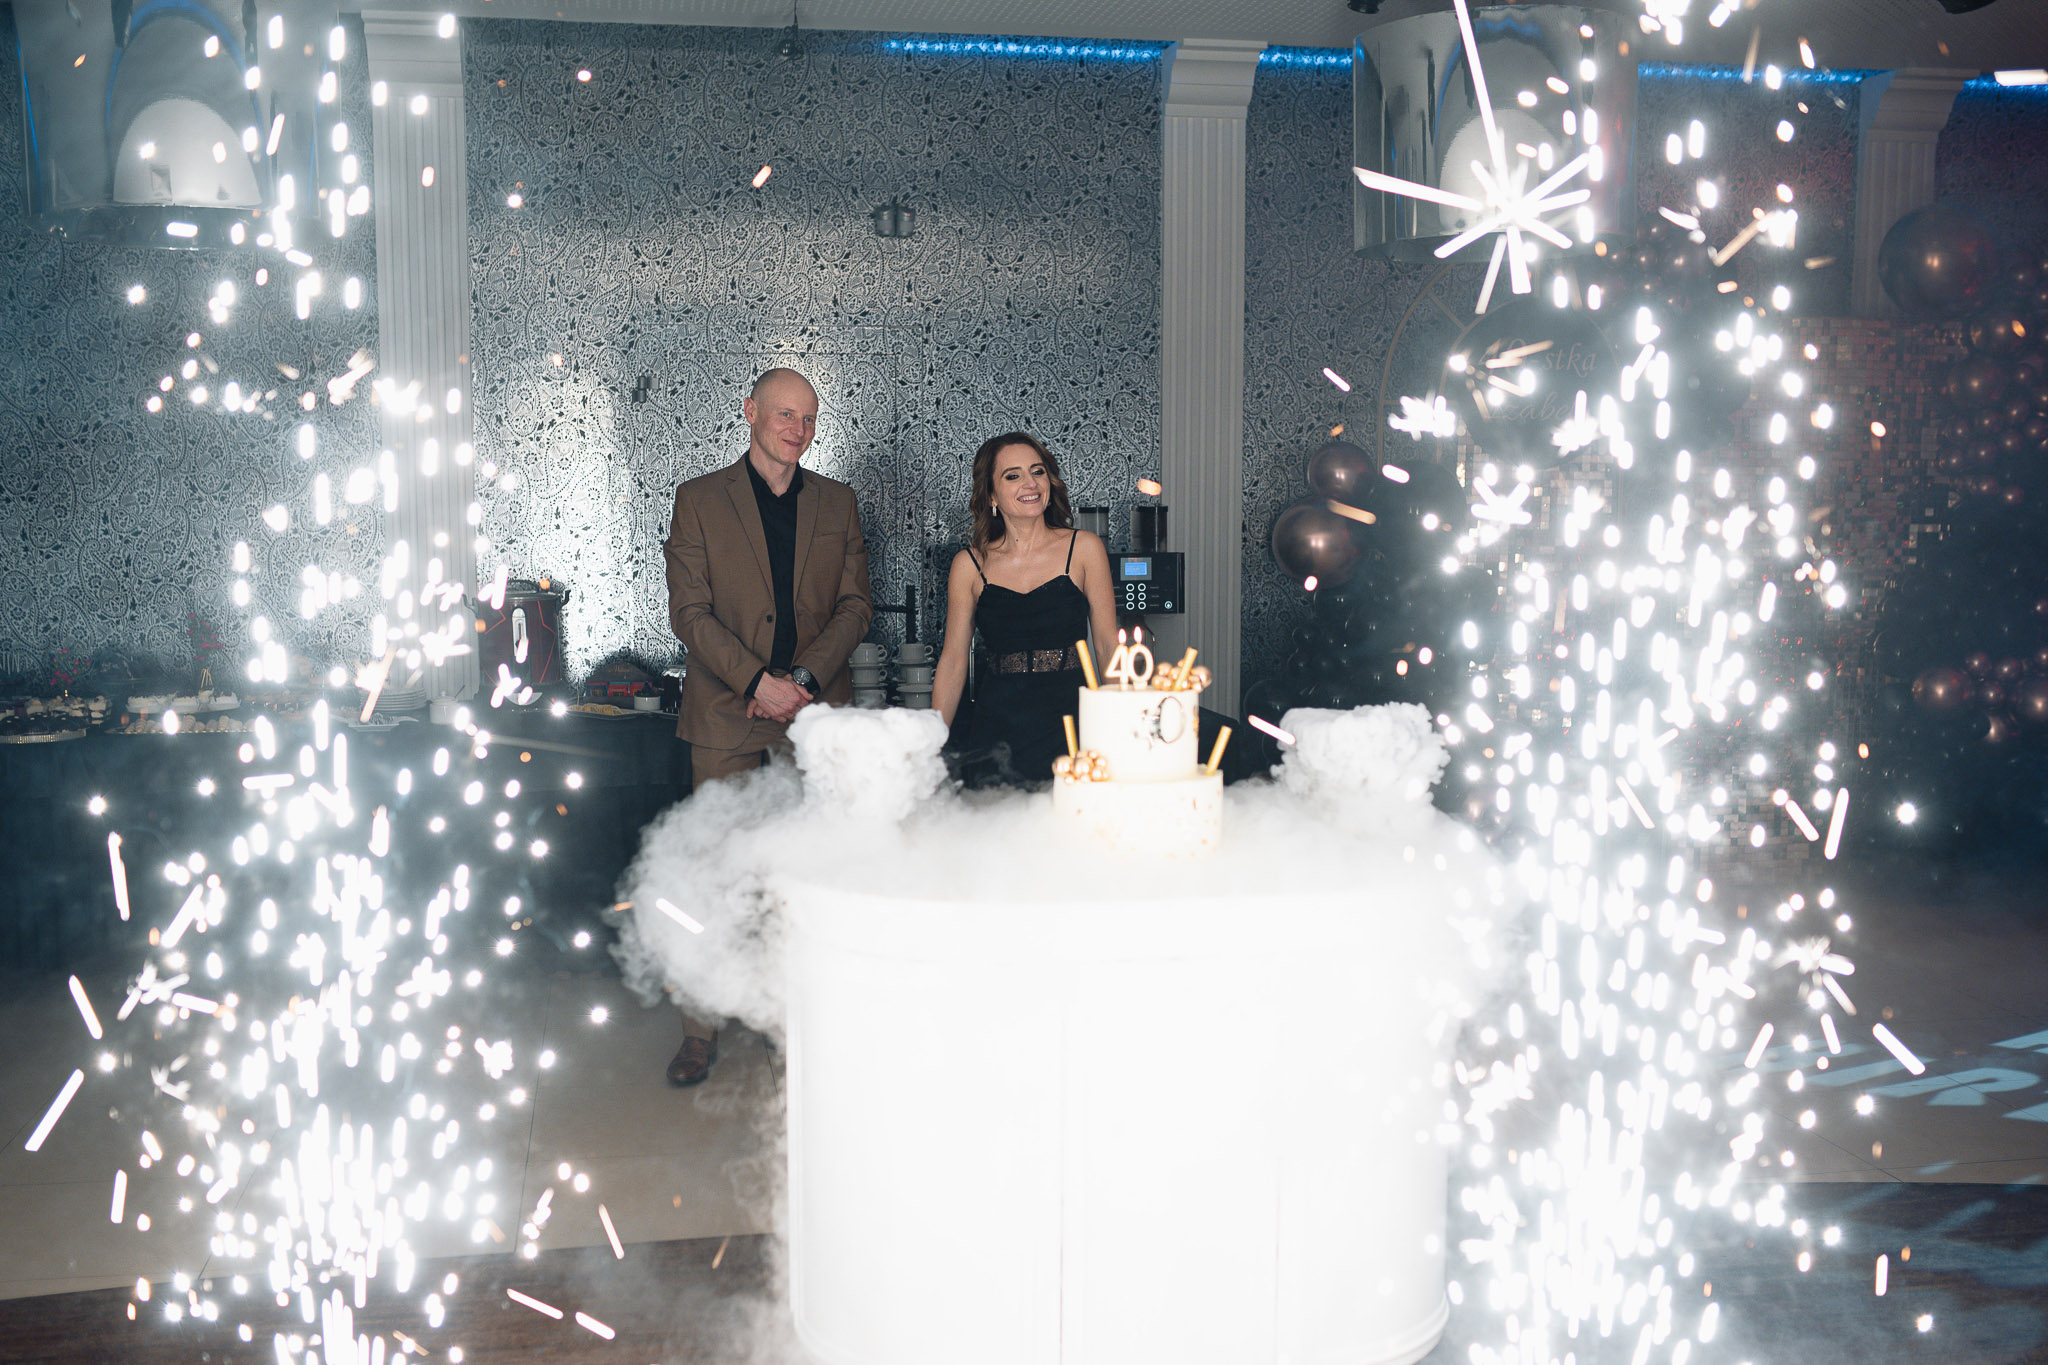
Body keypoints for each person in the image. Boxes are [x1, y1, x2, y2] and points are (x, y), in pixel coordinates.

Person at [661, 367, 873, 1083]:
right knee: (711, 868)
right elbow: (689, 613)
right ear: (750, 411)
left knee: (804, 874)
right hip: (727, 710)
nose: (797, 429)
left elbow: (855, 607)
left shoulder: (839, 502)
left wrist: (800, 682)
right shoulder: (698, 499)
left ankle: (794, 1022)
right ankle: (699, 1030)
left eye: (808, 418)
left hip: (811, 714)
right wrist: (757, 682)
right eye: (784, 414)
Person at [934, 432, 1118, 787]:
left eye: (1037, 471)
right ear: (991, 495)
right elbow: (953, 662)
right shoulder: (969, 565)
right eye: (1013, 475)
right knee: (994, 816)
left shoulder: (1084, 548)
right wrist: (928, 744)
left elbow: (1108, 647)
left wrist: (1122, 726)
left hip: (1071, 721)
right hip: (996, 725)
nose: (1030, 483)